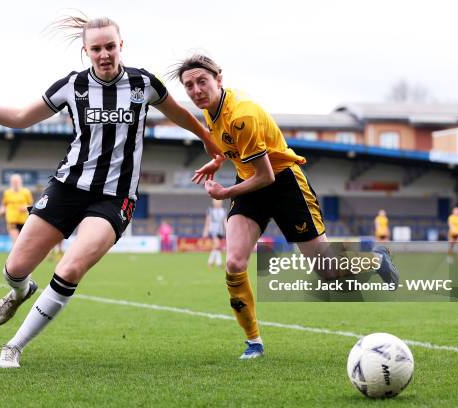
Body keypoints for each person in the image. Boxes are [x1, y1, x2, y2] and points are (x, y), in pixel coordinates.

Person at [0, 16, 219, 369]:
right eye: (96, 48)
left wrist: (209, 141)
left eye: (110, 46)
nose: (104, 54)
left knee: (71, 267)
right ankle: (21, 291)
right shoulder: (72, 87)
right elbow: (20, 117)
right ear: (85, 50)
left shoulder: (143, 83)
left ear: (122, 45)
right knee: (14, 268)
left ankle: (13, 346)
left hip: (115, 197)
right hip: (67, 187)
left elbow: (180, 114)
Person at [170, 54, 399, 359]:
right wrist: (216, 161)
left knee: (327, 271)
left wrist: (225, 193)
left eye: (202, 81)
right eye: (189, 85)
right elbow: (229, 145)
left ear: (219, 79)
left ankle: (374, 259)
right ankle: (254, 343)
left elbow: (265, 175)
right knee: (235, 264)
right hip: (251, 182)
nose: (196, 90)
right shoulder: (211, 111)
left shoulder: (242, 115)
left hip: (283, 184)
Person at [0, 174, 34, 246]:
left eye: (17, 181)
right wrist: (1, 210)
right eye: (13, 181)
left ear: (20, 182)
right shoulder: (7, 193)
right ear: (10, 182)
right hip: (11, 220)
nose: (15, 183)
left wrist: (25, 207)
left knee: (24, 242)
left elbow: (31, 206)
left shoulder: (26, 192)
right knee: (16, 243)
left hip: (23, 220)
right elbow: (4, 205)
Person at [202, 199, 227, 267]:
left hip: (220, 230)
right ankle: (217, 263)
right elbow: (208, 221)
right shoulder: (210, 210)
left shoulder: (224, 211)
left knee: (217, 246)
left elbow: (225, 221)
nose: (217, 204)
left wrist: (227, 229)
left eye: (219, 202)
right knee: (217, 244)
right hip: (213, 229)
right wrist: (205, 231)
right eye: (216, 203)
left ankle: (212, 262)